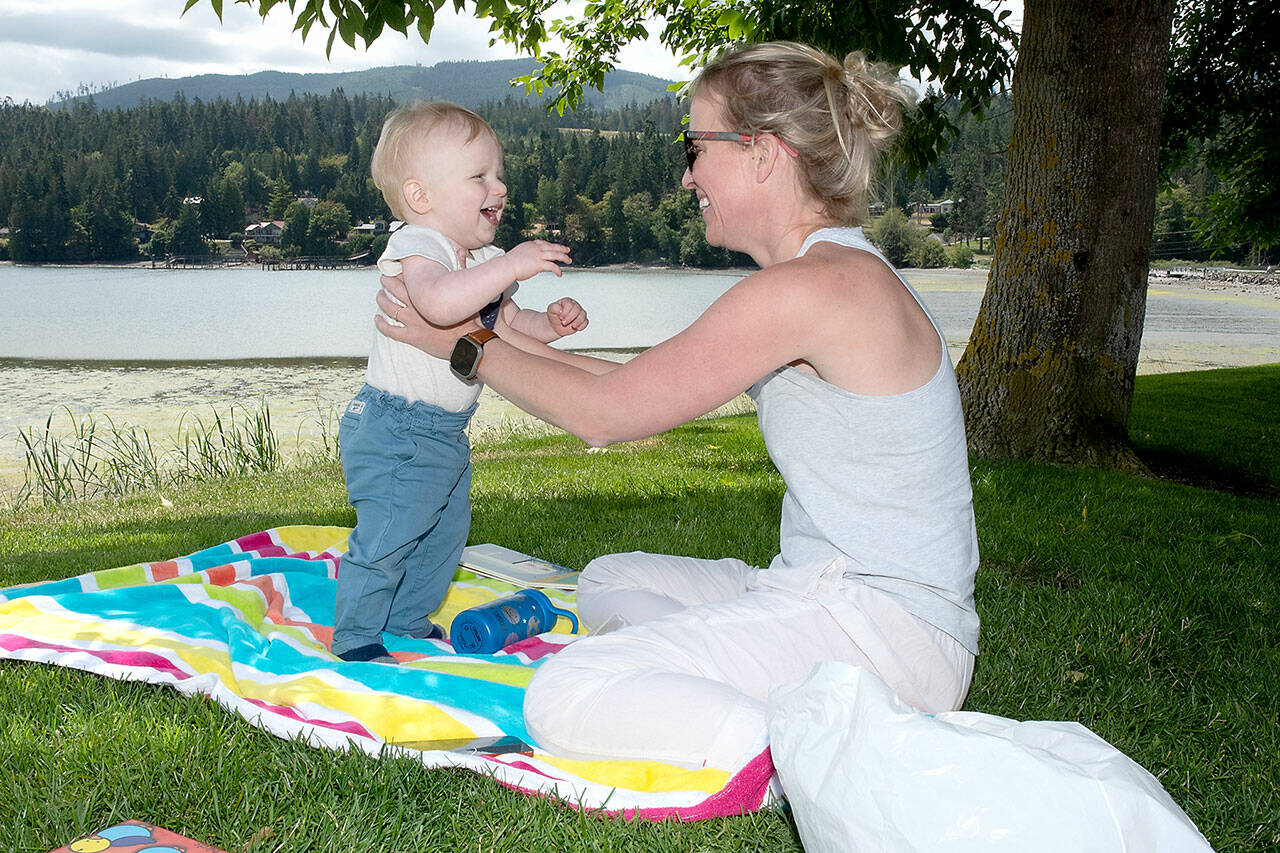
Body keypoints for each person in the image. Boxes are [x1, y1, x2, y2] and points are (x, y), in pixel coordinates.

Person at [376, 42, 979, 770]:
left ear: (762, 153)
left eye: (695, 147)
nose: (688, 173)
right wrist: (487, 330)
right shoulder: (828, 273)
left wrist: (463, 348)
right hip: (823, 591)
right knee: (607, 578)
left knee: (566, 691)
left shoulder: (817, 288)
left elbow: (606, 413)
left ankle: (811, 752)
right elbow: (631, 383)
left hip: (883, 634)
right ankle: (726, 674)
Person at [333, 101, 587, 664]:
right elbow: (440, 305)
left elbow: (501, 327)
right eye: (480, 177)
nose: (499, 187)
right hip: (396, 426)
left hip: (444, 431)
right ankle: (355, 636)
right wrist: (511, 267)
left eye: (499, 175)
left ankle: (406, 618)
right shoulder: (420, 245)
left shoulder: (483, 259)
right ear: (422, 198)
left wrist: (549, 324)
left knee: (443, 535)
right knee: (392, 532)